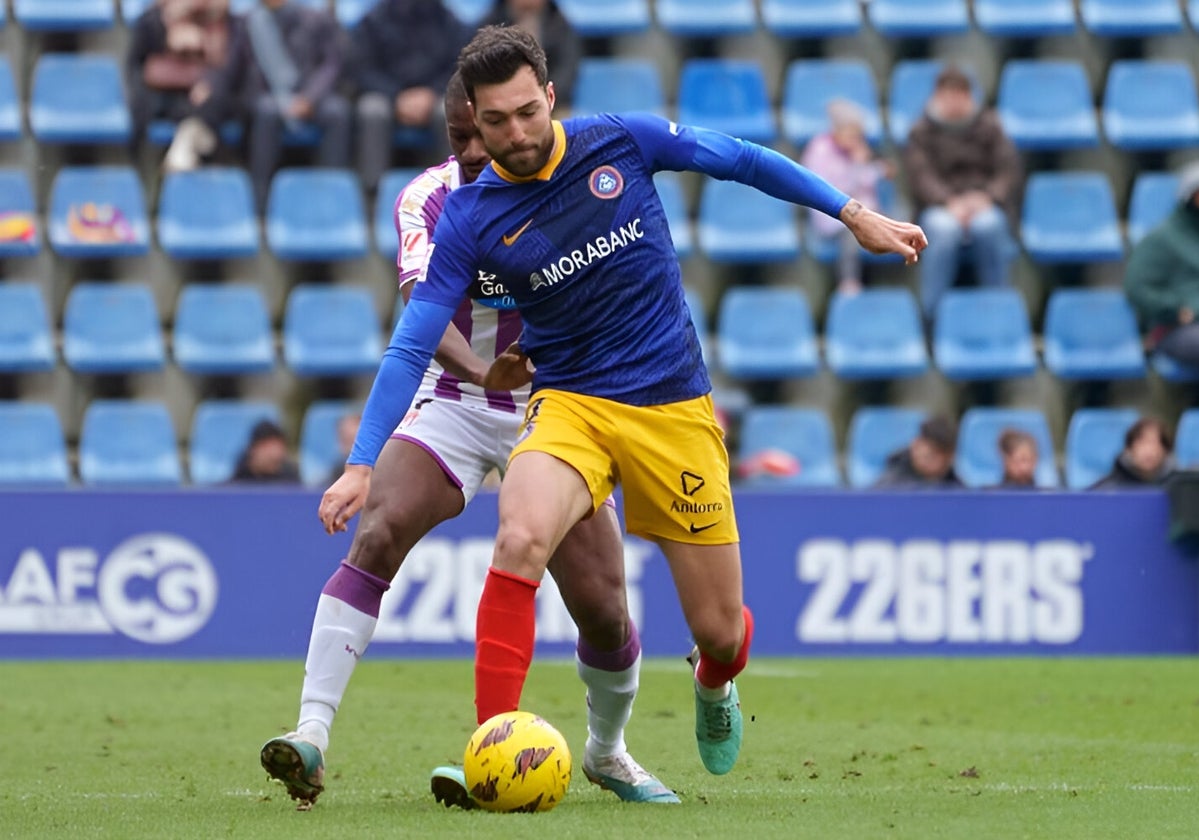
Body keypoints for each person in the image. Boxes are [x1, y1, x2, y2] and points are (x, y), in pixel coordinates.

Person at [318, 25, 926, 784]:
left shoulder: (619, 143)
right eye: (494, 122)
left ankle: (714, 679)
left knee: (721, 630)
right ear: (473, 119)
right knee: (520, 537)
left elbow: (737, 159)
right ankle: (491, 752)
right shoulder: (472, 217)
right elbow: (412, 344)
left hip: (672, 407)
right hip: (569, 403)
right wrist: (360, 462)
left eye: (525, 113)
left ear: (548, 96)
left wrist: (851, 212)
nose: (515, 134)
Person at [259, 71, 678, 811]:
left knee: (604, 606)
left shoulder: (572, 177)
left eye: (479, 134)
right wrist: (477, 378)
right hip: (456, 400)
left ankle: (608, 753)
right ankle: (311, 734)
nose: (475, 151)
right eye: (459, 137)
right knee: (379, 530)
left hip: (560, 407)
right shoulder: (428, 199)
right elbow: (425, 321)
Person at [164, 0, 351, 212]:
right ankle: (260, 203)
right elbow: (231, 68)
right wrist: (209, 85)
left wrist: (309, 98)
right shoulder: (248, 23)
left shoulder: (315, 19)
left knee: (338, 112)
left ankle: (332, 198)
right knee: (265, 111)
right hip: (267, 98)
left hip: (311, 96)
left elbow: (331, 64)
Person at [904, 65, 1021, 321]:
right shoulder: (920, 132)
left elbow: (1007, 171)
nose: (954, 102)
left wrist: (987, 198)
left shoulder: (991, 127)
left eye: (960, 94)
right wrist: (949, 202)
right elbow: (920, 176)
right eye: (948, 95)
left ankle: (998, 313)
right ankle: (933, 317)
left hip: (985, 204)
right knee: (943, 231)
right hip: (939, 208)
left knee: (990, 227)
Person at [348, 0, 467, 192]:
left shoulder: (446, 20)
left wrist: (431, 94)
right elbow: (362, 69)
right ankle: (372, 192)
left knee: (449, 111)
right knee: (372, 110)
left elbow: (459, 66)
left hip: (434, 95)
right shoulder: (373, 20)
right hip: (387, 95)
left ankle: (454, 190)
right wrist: (396, 97)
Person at [800, 99, 890, 297]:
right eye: (852, 134)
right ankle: (849, 282)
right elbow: (831, 190)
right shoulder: (820, 151)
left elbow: (865, 183)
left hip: (856, 208)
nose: (856, 140)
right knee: (851, 233)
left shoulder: (853, 151)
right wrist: (859, 165)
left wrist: (877, 170)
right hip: (830, 213)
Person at [125, 0, 234, 150]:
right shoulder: (152, 20)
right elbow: (137, 67)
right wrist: (167, 28)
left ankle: (185, 150)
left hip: (201, 99)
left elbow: (227, 66)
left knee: (209, 105)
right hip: (161, 98)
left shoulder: (218, 19)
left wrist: (202, 45)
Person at [1124, 161, 1199, 368]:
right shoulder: (1163, 239)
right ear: (1192, 197)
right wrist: (1174, 309)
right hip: (1176, 330)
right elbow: (1137, 287)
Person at [482, 0, 581, 109]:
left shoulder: (560, 25)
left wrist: (538, 97)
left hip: (551, 105)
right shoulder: (489, 24)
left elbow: (567, 71)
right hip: (499, 104)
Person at [874, 415, 962, 489]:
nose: (939, 463)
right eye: (931, 456)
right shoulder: (889, 486)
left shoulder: (956, 486)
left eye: (946, 458)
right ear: (916, 445)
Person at [1090, 416, 1175, 489]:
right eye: (1142, 443)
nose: (1149, 450)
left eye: (1155, 443)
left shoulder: (1178, 488)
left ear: (1166, 450)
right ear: (1129, 449)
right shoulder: (1106, 490)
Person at [231, 419, 301, 483]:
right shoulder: (237, 482)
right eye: (267, 448)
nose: (275, 454)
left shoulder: (290, 481)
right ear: (253, 449)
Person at [324, 411, 361, 486]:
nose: (346, 432)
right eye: (341, 433)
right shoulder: (337, 470)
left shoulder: (377, 471)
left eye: (351, 439)